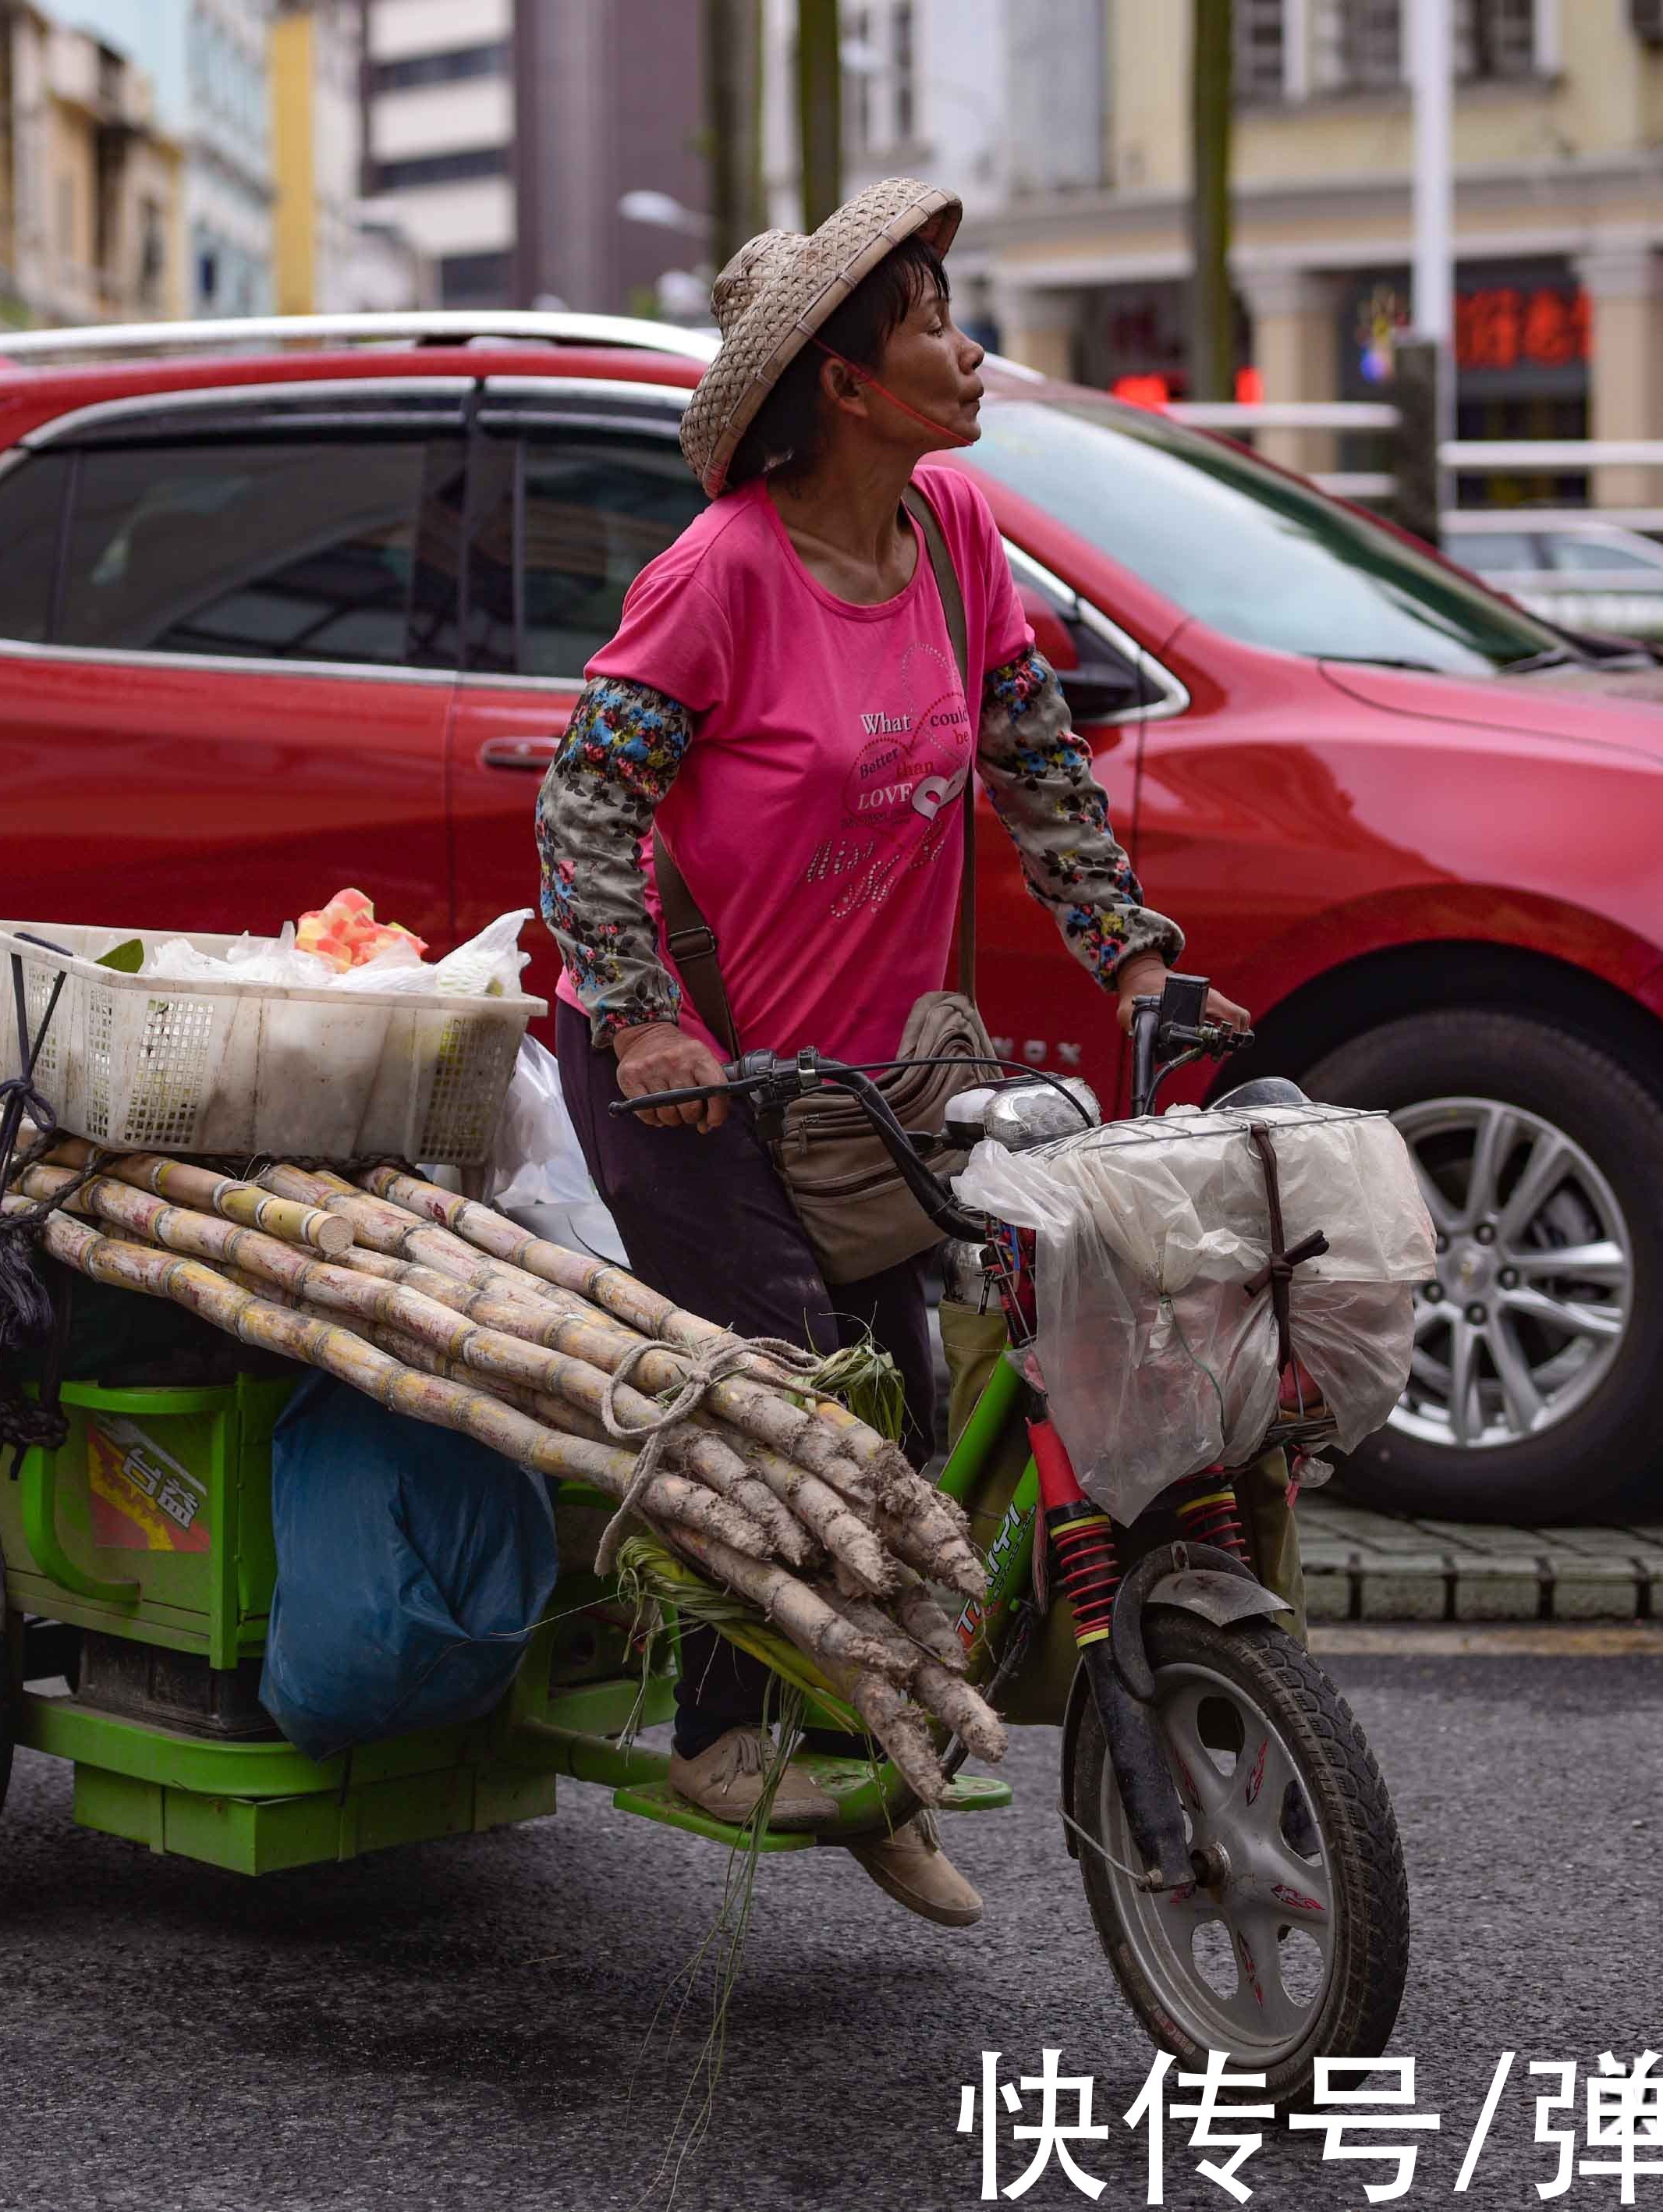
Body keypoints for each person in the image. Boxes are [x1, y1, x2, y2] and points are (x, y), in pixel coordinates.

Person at [531, 178, 1243, 1929]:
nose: (965, 346)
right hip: (694, 1085)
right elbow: (585, 801)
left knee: (914, 1419)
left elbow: (1035, 769)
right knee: (789, 1406)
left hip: (865, 1081)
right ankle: (720, 1727)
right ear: (844, 383)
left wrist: (1138, 959)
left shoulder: (954, 537)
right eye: (928, 318)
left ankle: (864, 1759)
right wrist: (637, 1017)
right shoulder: (719, 574)